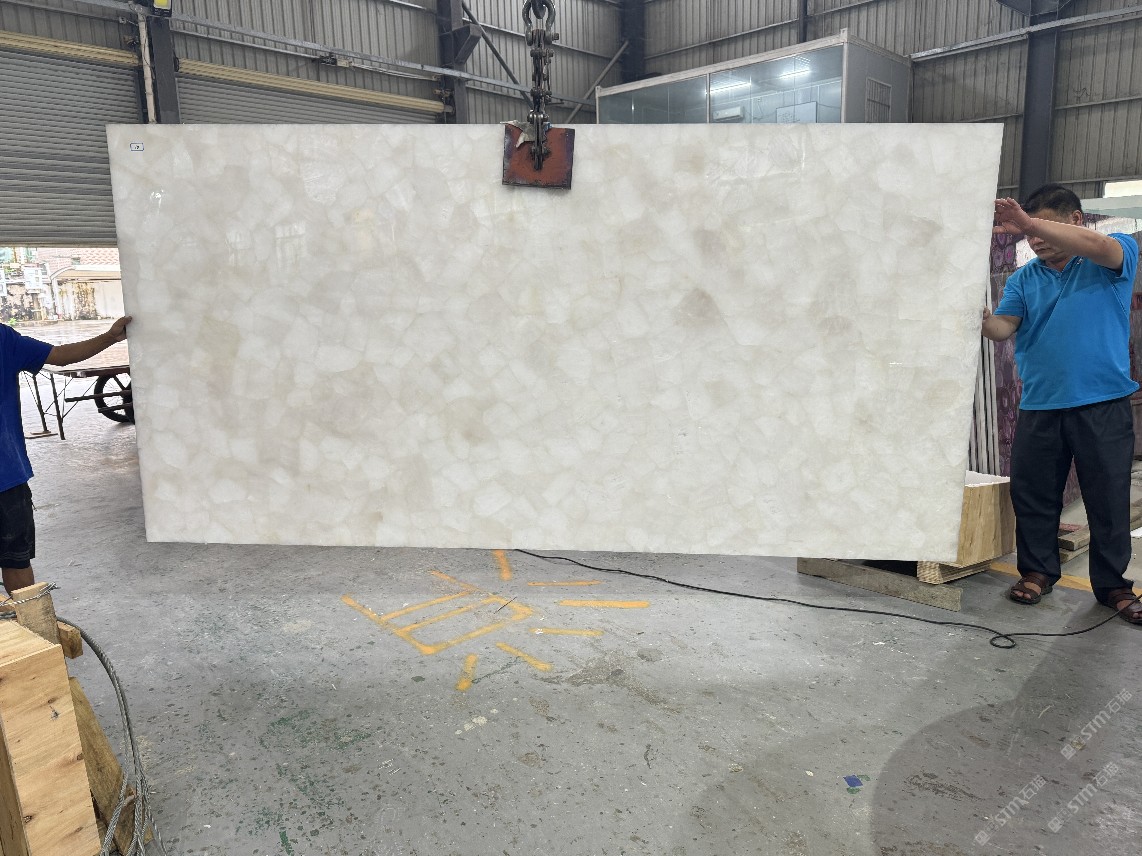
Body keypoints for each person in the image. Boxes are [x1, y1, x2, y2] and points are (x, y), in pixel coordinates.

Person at [983, 184, 1141, 624]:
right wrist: (983, 321)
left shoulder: (1113, 257)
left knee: (1108, 498)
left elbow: (1099, 246)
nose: (1034, 239)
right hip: (1041, 405)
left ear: (1075, 220)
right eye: (1029, 233)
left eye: (1043, 227)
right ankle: (1037, 572)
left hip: (1102, 403)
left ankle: (1113, 586)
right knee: (1034, 494)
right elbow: (1004, 327)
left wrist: (1027, 221)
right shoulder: (1024, 279)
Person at [1, 317, 132, 597]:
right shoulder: (2, 338)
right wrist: (110, 337)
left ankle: (28, 622)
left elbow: (60, 356)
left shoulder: (3, 339)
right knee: (15, 560)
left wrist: (110, 337)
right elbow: (60, 356)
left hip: (6, 476)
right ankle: (30, 621)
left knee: (16, 559)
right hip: (6, 476)